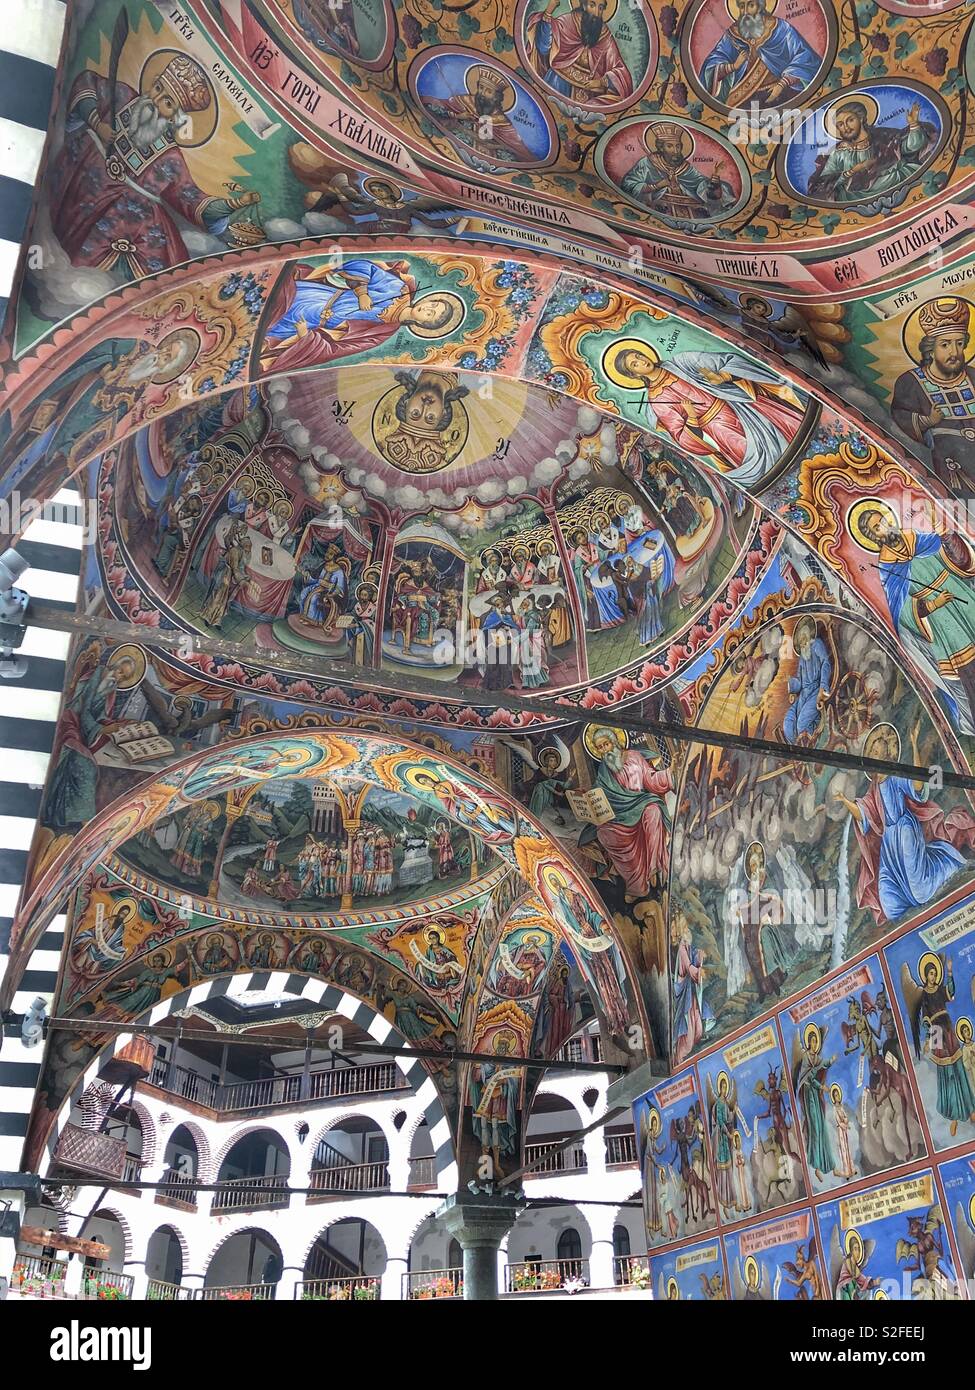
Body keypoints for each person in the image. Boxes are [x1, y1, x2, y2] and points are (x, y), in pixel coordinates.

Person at [50, 53, 261, 280]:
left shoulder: (170, 157)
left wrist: (235, 203)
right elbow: (88, 82)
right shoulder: (122, 96)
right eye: (158, 88)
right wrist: (96, 122)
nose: (156, 101)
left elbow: (191, 199)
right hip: (80, 182)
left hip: (123, 221)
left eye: (168, 103)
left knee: (142, 250)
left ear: (175, 117)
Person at [833, 721, 974, 925]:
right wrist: (845, 801)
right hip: (889, 843)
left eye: (878, 748)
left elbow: (916, 785)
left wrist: (914, 744)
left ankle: (945, 865)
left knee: (920, 891)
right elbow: (863, 814)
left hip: (905, 831)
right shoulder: (874, 789)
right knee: (890, 905)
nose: (874, 752)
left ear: (887, 753)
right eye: (872, 749)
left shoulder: (895, 774)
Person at [610, 344, 805, 490]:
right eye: (635, 364)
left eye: (639, 355)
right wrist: (693, 417)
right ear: (634, 375)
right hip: (718, 429)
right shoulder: (657, 398)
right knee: (753, 455)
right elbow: (680, 436)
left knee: (784, 428)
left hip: (736, 405)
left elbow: (725, 361)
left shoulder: (682, 361)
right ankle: (787, 484)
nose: (642, 361)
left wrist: (724, 377)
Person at [260, 258, 458, 373]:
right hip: (312, 296)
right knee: (268, 296)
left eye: (431, 316)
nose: (428, 309)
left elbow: (336, 350)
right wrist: (362, 292)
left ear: (423, 325)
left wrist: (306, 336)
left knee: (261, 326)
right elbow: (363, 266)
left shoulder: (382, 334)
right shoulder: (397, 288)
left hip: (303, 324)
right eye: (433, 304)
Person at [892, 297, 975, 491]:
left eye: (960, 343)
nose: (954, 352)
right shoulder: (910, 382)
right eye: (945, 345)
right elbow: (899, 417)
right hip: (953, 466)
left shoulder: (972, 375)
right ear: (930, 349)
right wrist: (927, 421)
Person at [587, 727, 673, 896]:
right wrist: (589, 797)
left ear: (615, 742)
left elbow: (651, 780)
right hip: (620, 815)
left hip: (641, 804)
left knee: (653, 811)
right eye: (600, 747)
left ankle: (654, 868)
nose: (605, 749)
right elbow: (601, 792)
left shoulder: (635, 757)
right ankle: (637, 885)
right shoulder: (605, 769)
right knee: (604, 832)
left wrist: (669, 775)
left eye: (606, 744)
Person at [807, 99, 936, 204]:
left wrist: (914, 126)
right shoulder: (839, 152)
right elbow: (823, 183)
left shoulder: (882, 136)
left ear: (862, 118)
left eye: (850, 120)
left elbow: (910, 147)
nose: (845, 127)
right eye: (840, 124)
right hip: (854, 195)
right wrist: (853, 171)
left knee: (907, 169)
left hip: (890, 179)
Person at [700, 0, 822, 107]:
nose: (746, 11)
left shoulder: (781, 29)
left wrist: (782, 84)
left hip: (781, 94)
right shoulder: (733, 34)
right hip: (744, 98)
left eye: (751, 5)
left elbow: (805, 57)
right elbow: (712, 63)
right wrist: (732, 67)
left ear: (761, 6)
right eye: (742, 6)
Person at [525, 0, 634, 104]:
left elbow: (620, 69)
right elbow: (543, 47)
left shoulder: (605, 36)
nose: (596, 13)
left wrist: (602, 82)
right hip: (558, 82)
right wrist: (548, 13)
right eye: (592, 5)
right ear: (584, 5)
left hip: (589, 91)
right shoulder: (567, 22)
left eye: (601, 8)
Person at [783, 615, 832, 743]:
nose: (803, 643)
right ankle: (796, 749)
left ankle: (807, 745)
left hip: (816, 690)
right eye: (800, 641)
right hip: (803, 695)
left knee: (801, 724)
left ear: (808, 636)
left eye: (804, 639)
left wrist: (823, 687)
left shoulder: (816, 645)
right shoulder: (802, 658)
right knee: (788, 723)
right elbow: (800, 681)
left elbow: (826, 663)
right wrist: (791, 686)